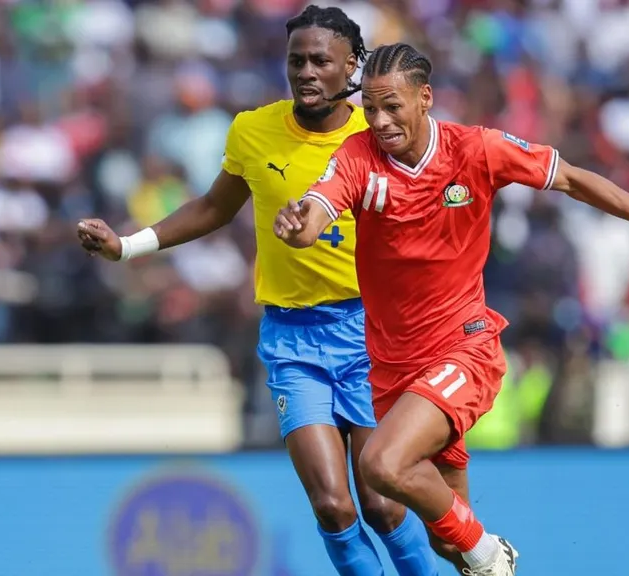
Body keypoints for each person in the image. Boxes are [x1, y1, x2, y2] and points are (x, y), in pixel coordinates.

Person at [273, 42, 629, 576]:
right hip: (393, 368)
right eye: (372, 108)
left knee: (382, 465)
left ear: (424, 98)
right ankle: (481, 555)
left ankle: (495, 558)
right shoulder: (358, 156)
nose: (379, 120)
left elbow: (572, 178)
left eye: (392, 106)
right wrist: (299, 228)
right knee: (449, 540)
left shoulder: (476, 150)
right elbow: (318, 208)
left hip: (463, 349)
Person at [76, 8, 440, 576]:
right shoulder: (252, 129)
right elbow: (212, 208)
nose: (307, 71)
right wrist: (127, 247)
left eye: (322, 60)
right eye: (297, 60)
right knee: (332, 503)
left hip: (370, 335)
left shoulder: (376, 136)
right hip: (294, 339)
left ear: (352, 65)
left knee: (382, 500)